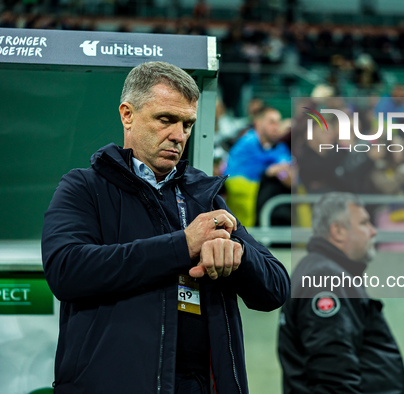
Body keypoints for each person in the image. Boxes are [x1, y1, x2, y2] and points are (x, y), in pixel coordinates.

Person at [41, 61, 290, 394]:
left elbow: (276, 288)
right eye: (166, 120)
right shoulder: (84, 187)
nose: (179, 135)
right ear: (127, 114)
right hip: (112, 383)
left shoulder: (205, 196)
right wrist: (183, 245)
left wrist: (238, 255)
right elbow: (66, 269)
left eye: (187, 124)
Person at [278, 192, 404, 393]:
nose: (373, 231)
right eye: (364, 223)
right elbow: (332, 373)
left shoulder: (329, 272)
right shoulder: (325, 278)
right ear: (338, 231)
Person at [224, 106, 291, 227]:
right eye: (272, 122)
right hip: (244, 199)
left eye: (278, 122)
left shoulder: (280, 147)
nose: (276, 127)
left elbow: (285, 169)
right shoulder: (247, 142)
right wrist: (274, 170)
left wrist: (280, 171)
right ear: (258, 123)